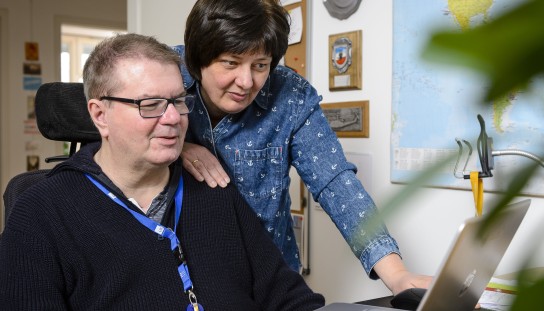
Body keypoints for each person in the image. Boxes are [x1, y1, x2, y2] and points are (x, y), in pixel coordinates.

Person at [0, 33, 325, 310]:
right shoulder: (40, 215)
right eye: (150, 104)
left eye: (178, 101)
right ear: (100, 115)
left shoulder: (214, 190)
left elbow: (290, 299)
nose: (173, 118)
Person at [176, 0, 432, 295]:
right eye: (231, 63)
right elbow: (114, 132)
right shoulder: (161, 73)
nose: (246, 82)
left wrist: (397, 274)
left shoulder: (291, 95)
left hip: (270, 278)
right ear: (198, 60)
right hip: (189, 277)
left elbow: (335, 181)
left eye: (260, 65)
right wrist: (179, 146)